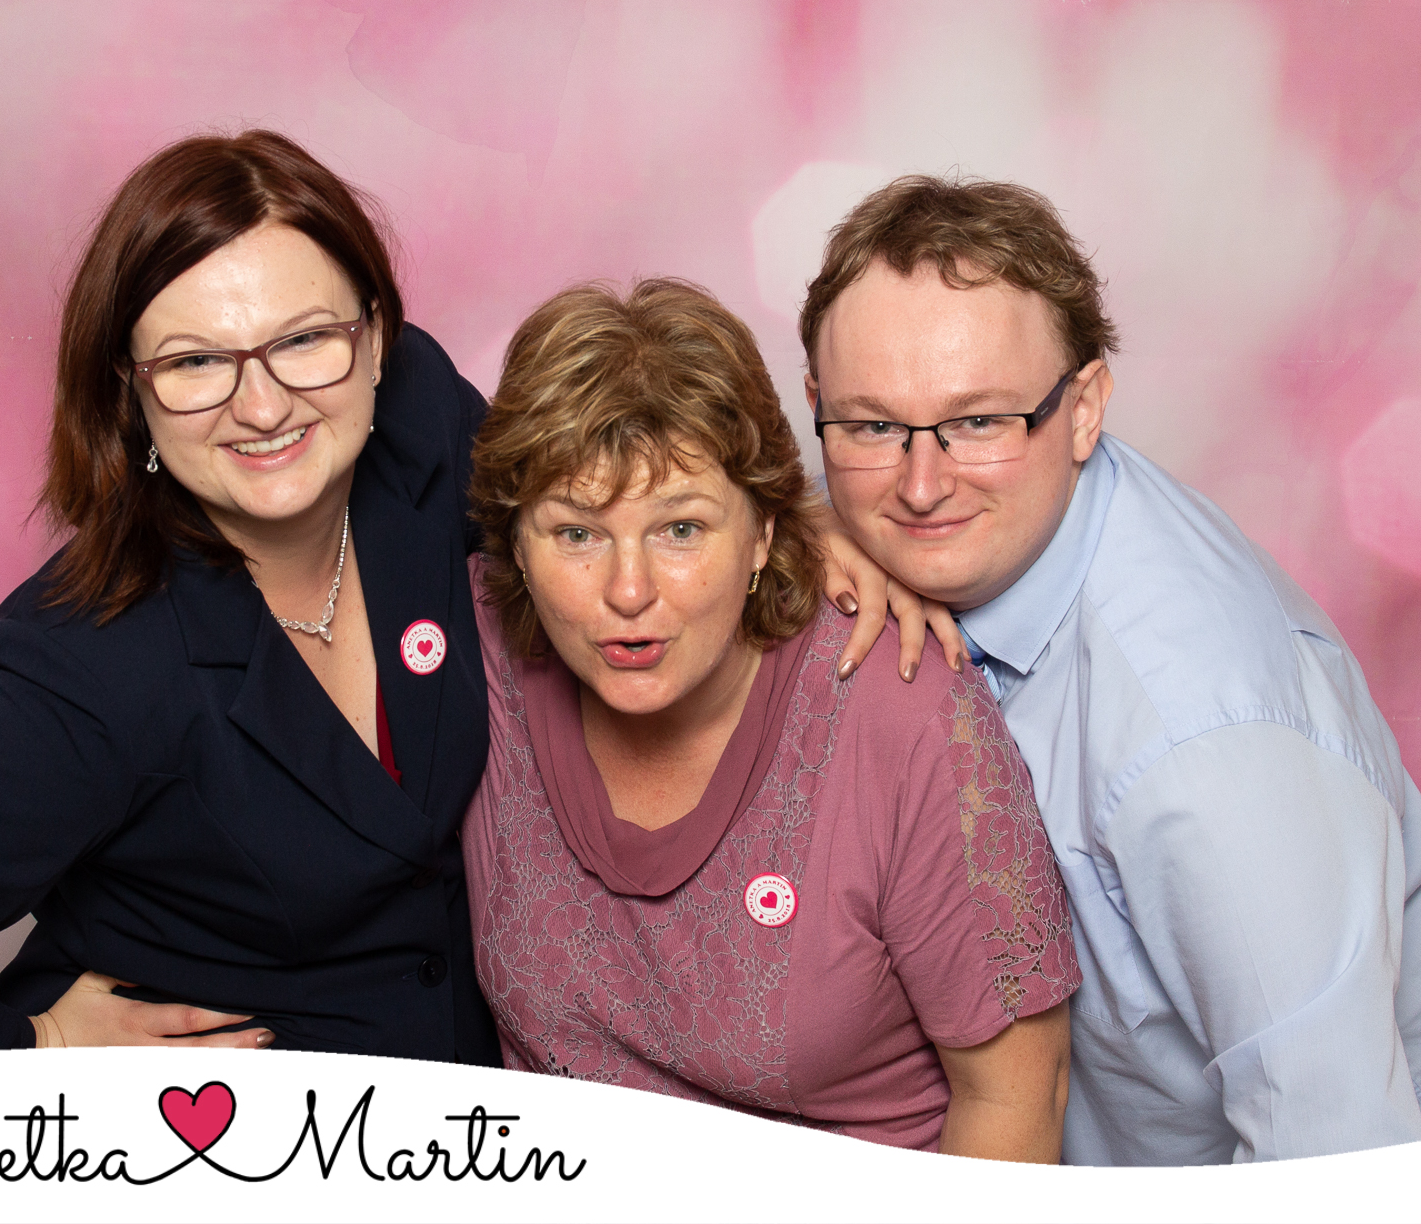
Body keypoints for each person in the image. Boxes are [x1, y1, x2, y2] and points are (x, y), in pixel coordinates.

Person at [800, 175, 1421, 1164]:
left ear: (1082, 409)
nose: (921, 482)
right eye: (871, 427)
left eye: (978, 422)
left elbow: (1332, 1150)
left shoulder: (1197, 745)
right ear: (817, 409)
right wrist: (802, 524)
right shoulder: (966, 526)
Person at [0, 130, 502, 1066]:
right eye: (195, 362)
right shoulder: (89, 664)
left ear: (374, 342)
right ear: (130, 392)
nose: (263, 406)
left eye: (302, 339)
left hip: (478, 1121)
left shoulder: (427, 425)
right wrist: (36, 1043)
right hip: (231, 1139)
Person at [459, 277, 1081, 1159]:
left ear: (761, 534)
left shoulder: (904, 716)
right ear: (515, 545)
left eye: (682, 529)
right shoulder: (476, 649)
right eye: (577, 534)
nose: (628, 590)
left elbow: (1018, 1095)